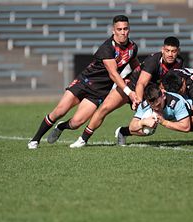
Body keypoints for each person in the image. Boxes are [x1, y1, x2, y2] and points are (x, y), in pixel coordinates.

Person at [27, 15, 138, 149]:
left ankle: (61, 126)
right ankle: (35, 140)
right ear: (113, 30)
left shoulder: (132, 47)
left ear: (129, 29)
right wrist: (129, 92)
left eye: (125, 29)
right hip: (84, 82)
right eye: (119, 29)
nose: (123, 32)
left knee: (76, 123)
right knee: (60, 111)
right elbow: (113, 74)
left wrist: (143, 75)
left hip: (99, 92)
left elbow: (134, 64)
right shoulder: (107, 48)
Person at [66, 36, 183, 148]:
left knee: (147, 130)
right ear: (163, 49)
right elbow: (140, 84)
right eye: (167, 50)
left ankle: (123, 131)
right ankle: (83, 139)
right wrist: (138, 102)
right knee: (104, 109)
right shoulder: (154, 60)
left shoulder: (179, 62)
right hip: (132, 85)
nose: (170, 54)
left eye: (173, 51)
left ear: (178, 51)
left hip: (150, 94)